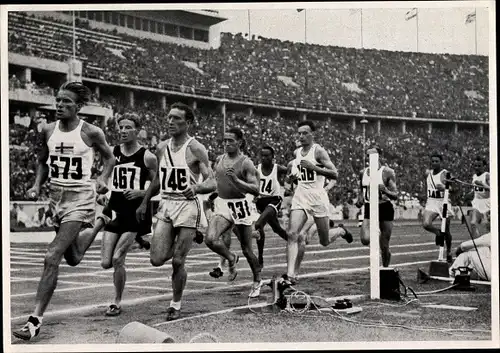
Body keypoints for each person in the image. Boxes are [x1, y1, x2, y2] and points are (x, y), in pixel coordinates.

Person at [14, 82, 115, 341]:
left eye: (66, 102)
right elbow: (40, 160)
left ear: (78, 107)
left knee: (52, 256)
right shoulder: (47, 129)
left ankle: (35, 320)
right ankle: (102, 221)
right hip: (56, 198)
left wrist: (103, 178)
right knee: (74, 257)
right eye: (58, 100)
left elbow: (109, 158)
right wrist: (37, 184)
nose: (59, 105)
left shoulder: (91, 132)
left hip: (81, 198)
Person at [136, 103, 215, 321]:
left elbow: (212, 181)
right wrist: (144, 202)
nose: (170, 121)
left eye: (176, 118)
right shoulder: (162, 147)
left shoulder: (196, 148)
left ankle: (175, 303)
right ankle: (186, 239)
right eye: (169, 117)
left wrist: (197, 187)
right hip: (167, 204)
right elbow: (159, 179)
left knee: (178, 261)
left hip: (188, 206)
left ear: (187, 123)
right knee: (156, 258)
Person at [100, 113, 158, 316]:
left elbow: (158, 186)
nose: (123, 131)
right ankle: (140, 241)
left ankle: (116, 301)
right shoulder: (111, 152)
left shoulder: (147, 157)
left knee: (117, 259)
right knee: (106, 262)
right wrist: (102, 191)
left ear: (137, 130)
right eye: (121, 127)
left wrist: (142, 192)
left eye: (128, 128)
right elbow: (105, 178)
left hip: (134, 214)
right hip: (115, 211)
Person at [285, 121, 352, 284]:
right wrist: (293, 179)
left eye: (304, 133)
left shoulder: (319, 151)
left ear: (312, 134)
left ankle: (340, 231)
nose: (301, 136)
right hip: (301, 196)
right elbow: (294, 177)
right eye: (299, 133)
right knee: (292, 234)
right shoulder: (297, 152)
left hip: (317, 198)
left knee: (324, 241)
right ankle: (290, 275)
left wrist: (313, 168)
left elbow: (335, 174)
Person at [204, 127, 263, 297]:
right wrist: (211, 195)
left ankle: (257, 280)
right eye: (225, 140)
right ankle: (230, 258)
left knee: (246, 249)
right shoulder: (219, 159)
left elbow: (255, 189)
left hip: (240, 206)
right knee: (210, 239)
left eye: (231, 140)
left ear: (239, 142)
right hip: (222, 204)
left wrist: (237, 180)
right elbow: (217, 181)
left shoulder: (246, 162)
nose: (227, 143)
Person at [355, 147, 399, 267]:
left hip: (384, 207)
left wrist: (385, 191)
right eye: (368, 155)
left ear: (379, 156)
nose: (370, 158)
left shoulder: (387, 172)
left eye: (373, 155)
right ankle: (376, 237)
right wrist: (360, 198)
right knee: (365, 239)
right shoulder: (362, 172)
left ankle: (385, 268)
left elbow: (395, 195)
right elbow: (361, 188)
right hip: (370, 206)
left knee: (384, 245)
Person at [254, 145, 289, 267]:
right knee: (277, 229)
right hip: (260, 202)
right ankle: (293, 241)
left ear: (273, 157)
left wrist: (292, 177)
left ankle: (260, 259)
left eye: (267, 155)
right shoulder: (256, 169)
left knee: (258, 224)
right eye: (262, 155)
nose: (264, 158)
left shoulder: (277, 168)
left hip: (274, 200)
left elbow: (292, 170)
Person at [421, 153, 454, 262]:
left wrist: (445, 187)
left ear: (441, 162)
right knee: (426, 224)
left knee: (447, 230)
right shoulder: (428, 173)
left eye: (437, 161)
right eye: (433, 161)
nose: (434, 163)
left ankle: (449, 251)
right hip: (431, 202)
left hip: (443, 202)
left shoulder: (445, 173)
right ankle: (438, 233)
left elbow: (454, 189)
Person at [450, 213, 490, 281]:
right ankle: (468, 272)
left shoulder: (490, 236)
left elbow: (463, 246)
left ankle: (453, 275)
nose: (486, 223)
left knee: (468, 253)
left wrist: (457, 252)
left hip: (492, 274)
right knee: (483, 250)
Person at [467, 156, 490, 239]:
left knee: (488, 227)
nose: (477, 168)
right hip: (477, 202)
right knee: (473, 223)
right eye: (475, 165)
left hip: (488, 203)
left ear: (484, 166)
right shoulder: (474, 176)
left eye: (479, 166)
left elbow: (493, 190)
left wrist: (482, 185)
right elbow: (476, 189)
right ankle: (477, 244)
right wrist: (470, 194)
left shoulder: (487, 175)